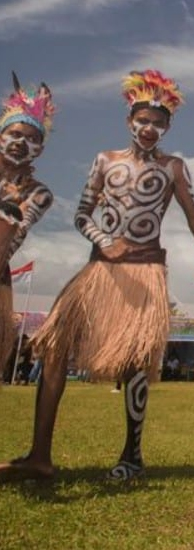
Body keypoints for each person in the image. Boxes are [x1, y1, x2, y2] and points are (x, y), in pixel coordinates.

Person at [0, 70, 194, 482]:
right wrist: (103, 238)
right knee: (55, 349)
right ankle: (40, 455)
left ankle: (132, 455)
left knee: (135, 361)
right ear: (129, 120)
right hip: (99, 268)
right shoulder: (104, 160)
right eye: (143, 120)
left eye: (158, 123)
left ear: (168, 127)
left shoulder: (173, 167)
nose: (149, 129)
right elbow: (82, 214)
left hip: (144, 270)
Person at [0, 73, 55, 379]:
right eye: (15, 135)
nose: (22, 143)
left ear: (41, 150)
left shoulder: (37, 193)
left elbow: (12, 235)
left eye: (32, 139)